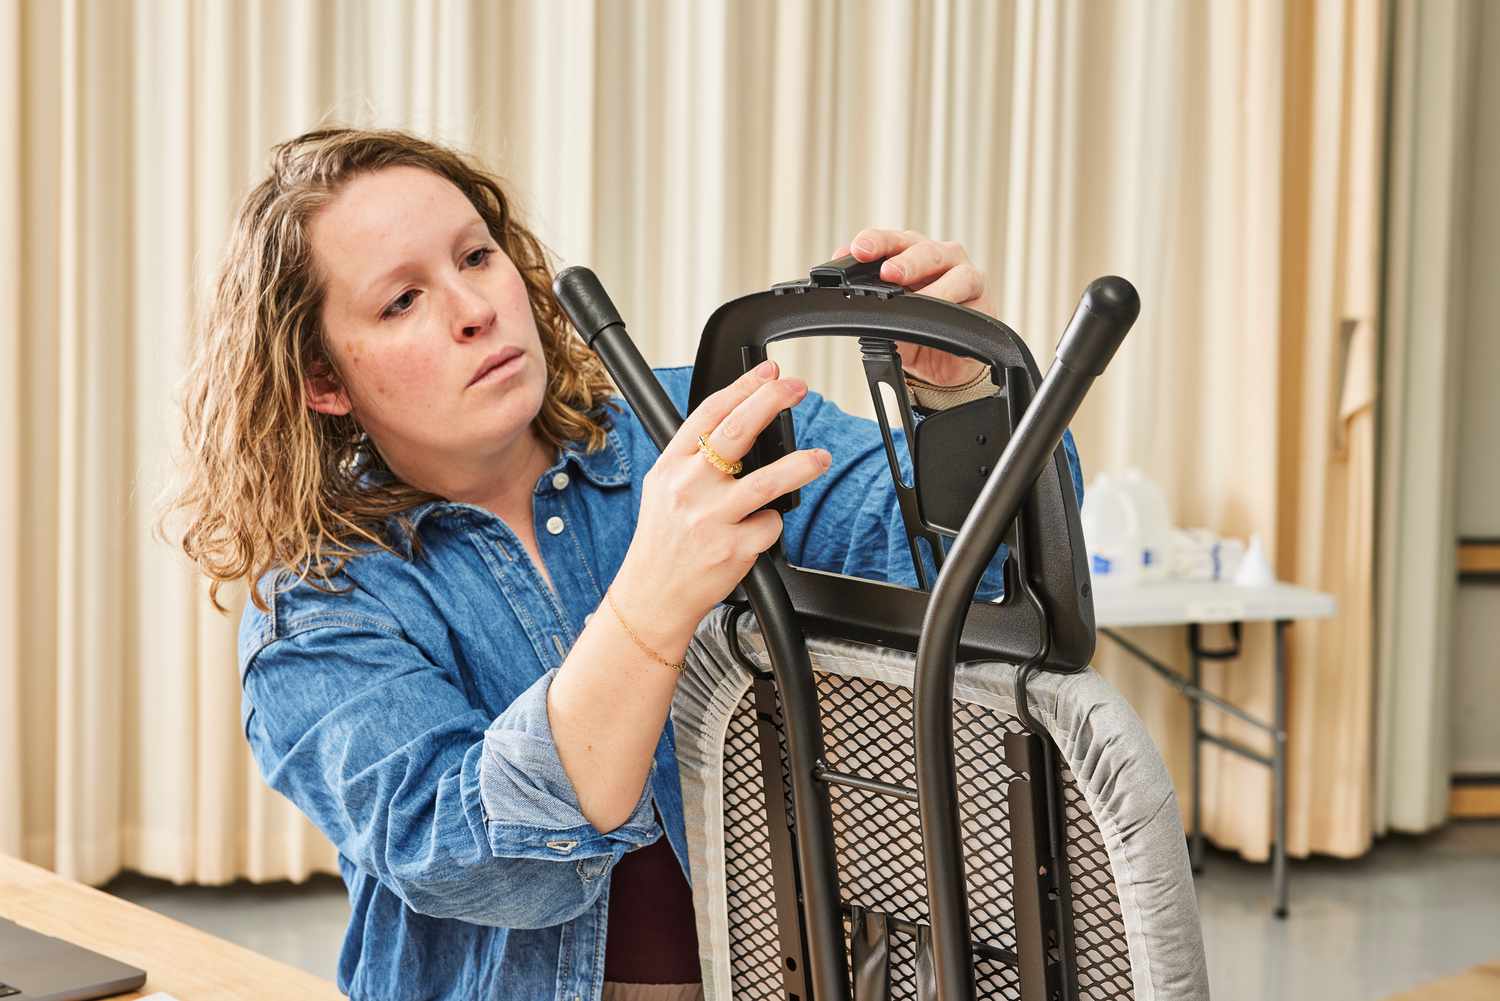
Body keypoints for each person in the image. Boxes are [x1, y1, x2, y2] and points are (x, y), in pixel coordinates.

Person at [162, 126, 1083, 1001]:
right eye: (403, 301)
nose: (477, 310)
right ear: (323, 380)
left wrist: (963, 399)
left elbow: (972, 575)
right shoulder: (316, 608)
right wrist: (650, 602)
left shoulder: (687, 427)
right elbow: (477, 861)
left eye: (477, 257)